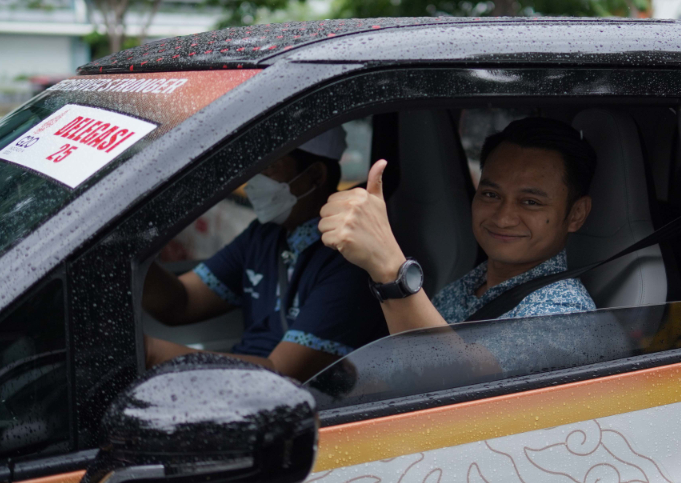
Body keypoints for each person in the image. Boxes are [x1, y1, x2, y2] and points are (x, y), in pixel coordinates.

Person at [143, 127, 387, 380]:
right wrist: (126, 257)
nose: (255, 181)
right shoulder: (264, 234)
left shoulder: (349, 260)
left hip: (289, 405)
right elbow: (181, 303)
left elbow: (281, 373)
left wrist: (152, 353)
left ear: (314, 175)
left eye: (269, 167)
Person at [320, 117, 597, 335]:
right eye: (491, 195)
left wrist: (390, 267)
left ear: (576, 214)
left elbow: (459, 383)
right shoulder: (466, 286)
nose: (503, 217)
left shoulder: (565, 311)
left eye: (530, 202)